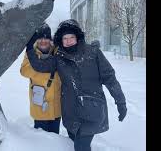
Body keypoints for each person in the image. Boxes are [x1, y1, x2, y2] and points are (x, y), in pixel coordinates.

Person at [26, 19, 127, 151]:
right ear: (60, 40)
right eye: (65, 38)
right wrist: (29, 48)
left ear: (77, 37)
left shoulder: (93, 52)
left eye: (71, 37)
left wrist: (121, 101)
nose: (68, 41)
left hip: (91, 109)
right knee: (74, 141)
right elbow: (40, 65)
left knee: (81, 146)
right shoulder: (59, 57)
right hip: (71, 112)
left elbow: (109, 78)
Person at [20, 23, 62, 134]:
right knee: (40, 141)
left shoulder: (58, 51)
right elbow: (24, 71)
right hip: (39, 106)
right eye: (40, 38)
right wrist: (44, 70)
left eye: (46, 38)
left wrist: (38, 68)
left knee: (54, 140)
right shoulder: (31, 53)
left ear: (50, 39)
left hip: (56, 107)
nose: (43, 41)